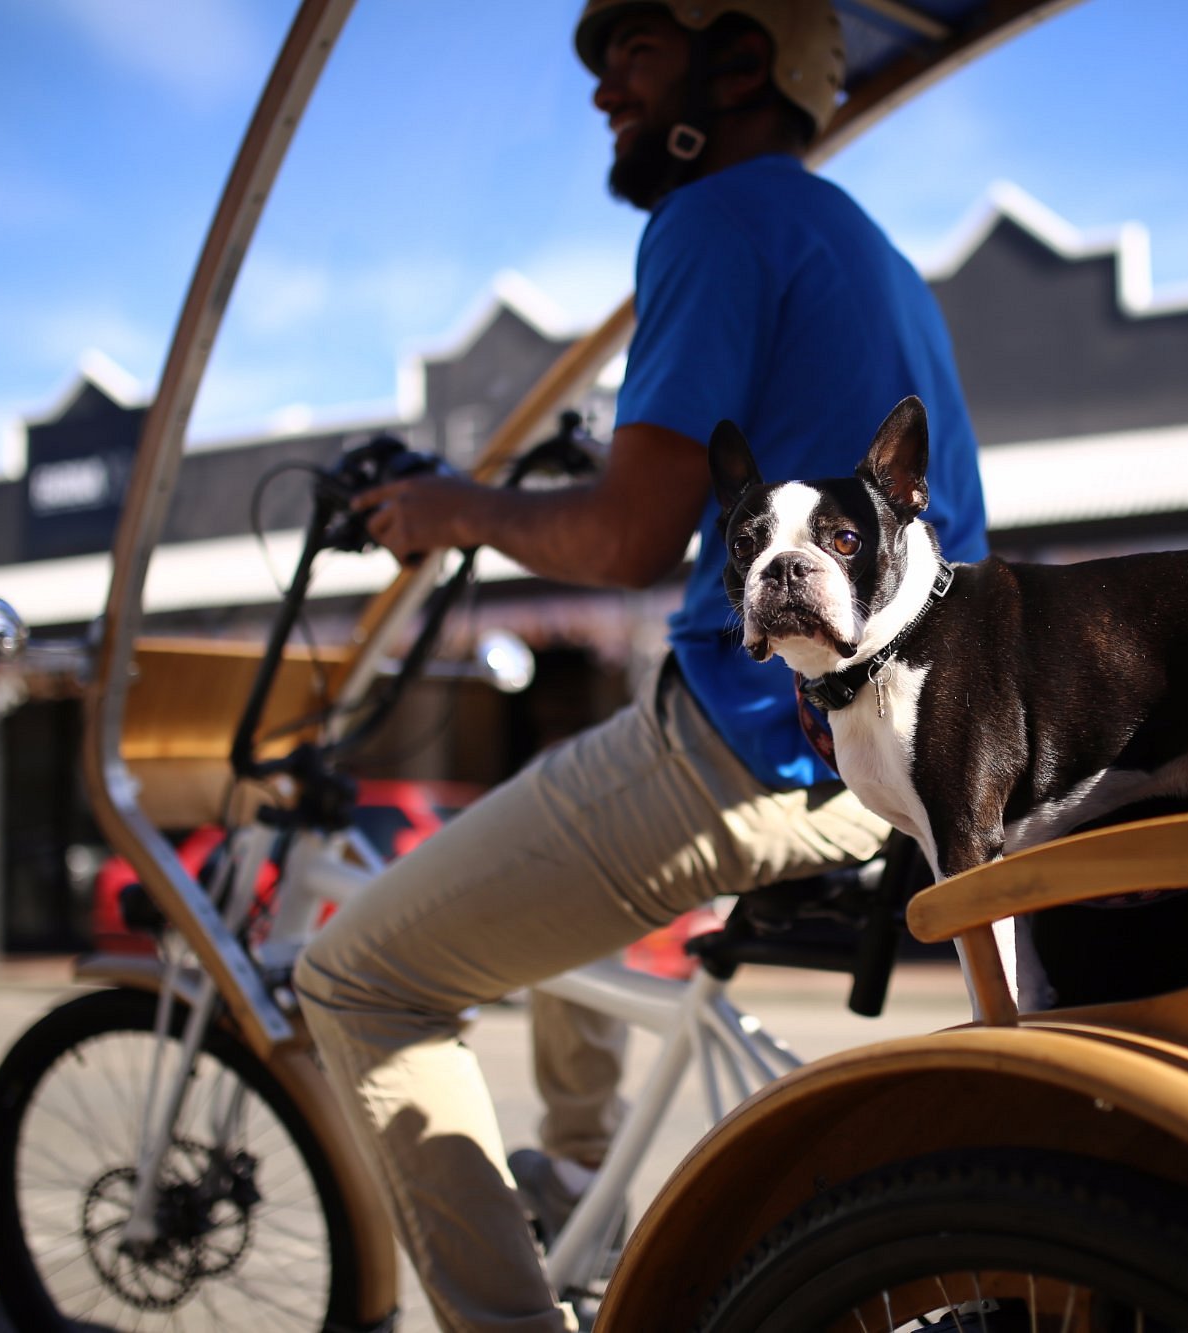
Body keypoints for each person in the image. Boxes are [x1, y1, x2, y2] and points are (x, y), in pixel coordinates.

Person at [291, 2, 989, 1329]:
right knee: (553, 818)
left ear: (737, 59)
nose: (605, 85)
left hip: (759, 744)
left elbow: (624, 534)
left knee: (357, 978)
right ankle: (580, 1185)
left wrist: (455, 508)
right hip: (896, 744)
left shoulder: (714, 220)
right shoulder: (868, 248)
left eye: (635, 47)